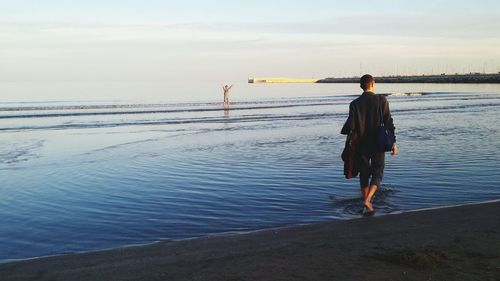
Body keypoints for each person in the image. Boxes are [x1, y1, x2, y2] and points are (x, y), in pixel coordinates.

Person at [341, 74, 398, 215]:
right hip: (378, 142)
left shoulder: (354, 103)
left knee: (364, 173)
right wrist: (393, 142)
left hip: (361, 143)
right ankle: (368, 200)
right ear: (373, 84)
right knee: (378, 172)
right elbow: (388, 122)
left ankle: (367, 204)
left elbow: (351, 126)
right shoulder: (381, 100)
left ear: (361, 86)